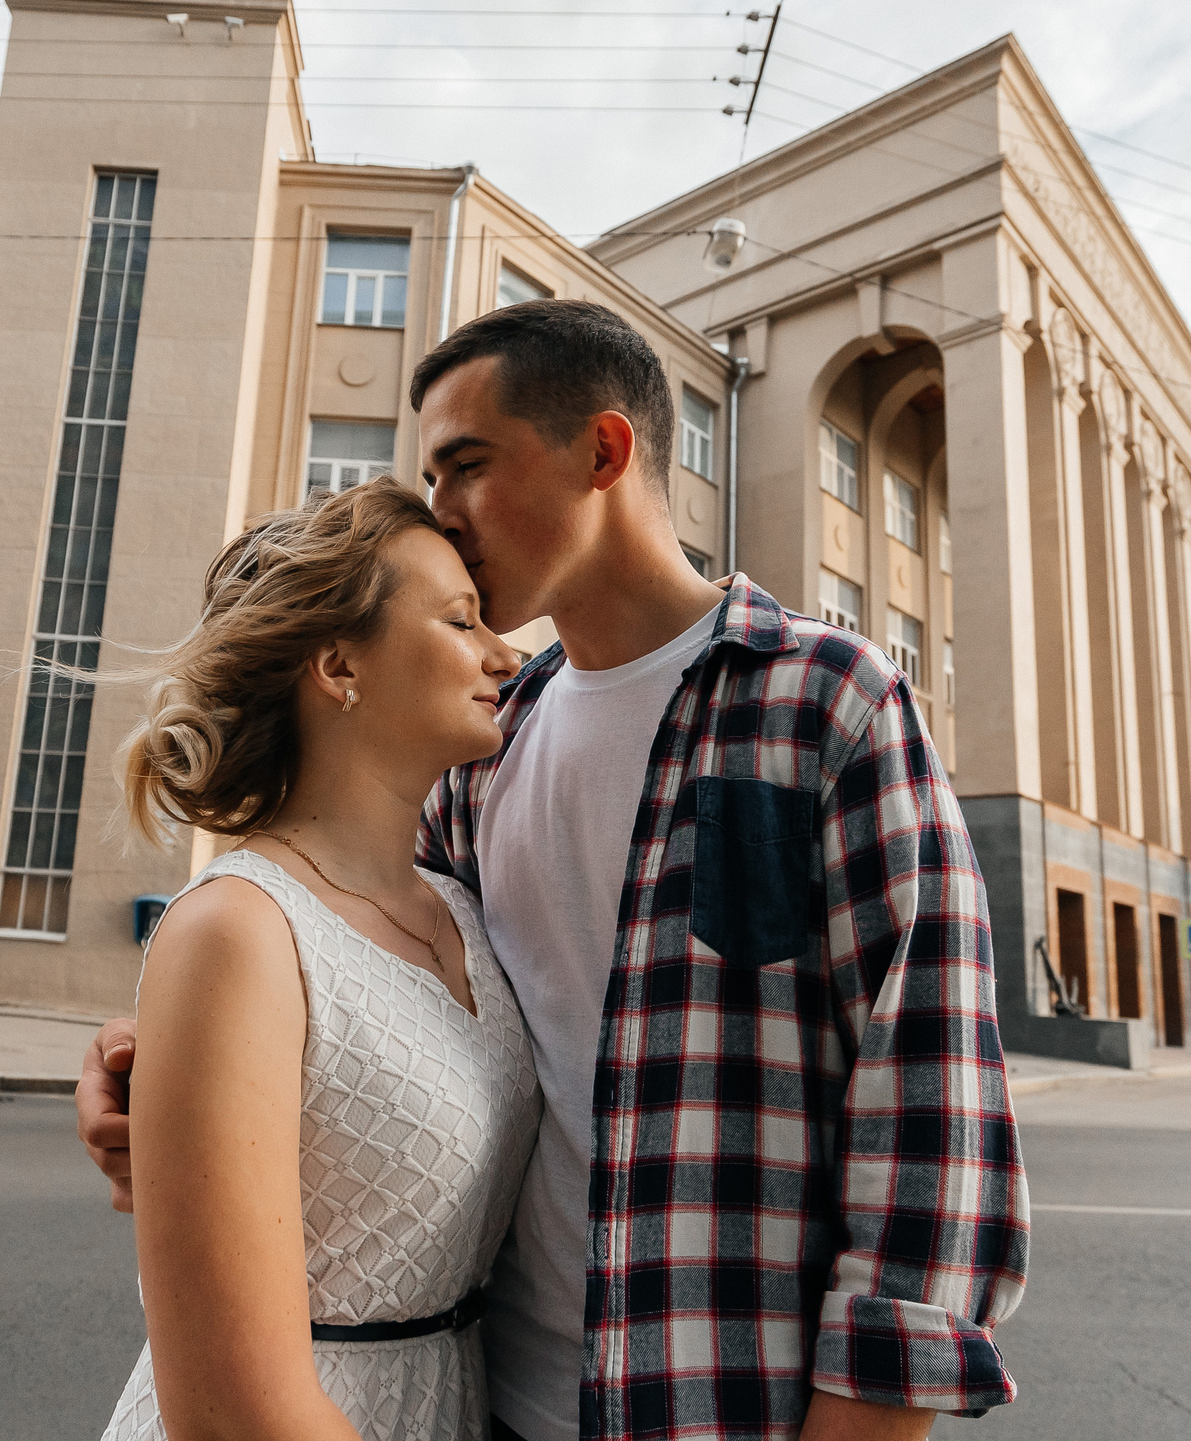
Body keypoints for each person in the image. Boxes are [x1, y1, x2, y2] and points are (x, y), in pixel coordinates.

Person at [84, 299, 1028, 1439]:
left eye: (467, 465)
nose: (443, 510)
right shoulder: (485, 749)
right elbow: (359, 982)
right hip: (490, 1398)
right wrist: (154, 1062)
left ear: (603, 451)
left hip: (720, 1409)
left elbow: (930, 1106)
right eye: (431, 478)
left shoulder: (824, 701)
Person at [93, 480, 539, 1441]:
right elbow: (233, 1415)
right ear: (339, 664)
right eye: (461, 620)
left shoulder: (466, 908)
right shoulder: (236, 930)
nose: (506, 654)